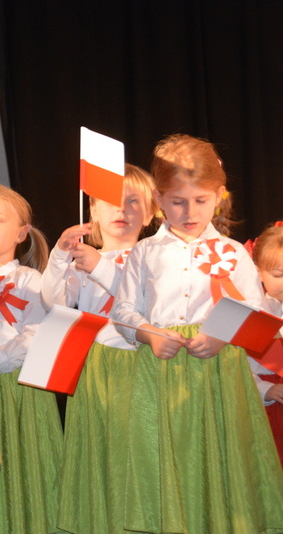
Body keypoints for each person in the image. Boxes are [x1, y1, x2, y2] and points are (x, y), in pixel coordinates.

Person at [108, 134, 283, 533]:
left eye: (201, 200)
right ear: (158, 198)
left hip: (219, 375)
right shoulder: (144, 253)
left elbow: (256, 314)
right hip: (162, 376)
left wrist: (221, 336)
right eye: (177, 202)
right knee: (168, 459)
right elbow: (123, 311)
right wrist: (149, 334)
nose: (189, 212)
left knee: (218, 456)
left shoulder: (234, 253)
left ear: (218, 196)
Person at [48, 164, 156, 533]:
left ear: (151, 212)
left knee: (142, 454)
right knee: (105, 453)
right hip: (98, 370)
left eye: (133, 201)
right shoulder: (83, 261)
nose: (121, 209)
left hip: (143, 365)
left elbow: (146, 305)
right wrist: (60, 258)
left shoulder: (155, 259)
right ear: (92, 211)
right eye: (110, 201)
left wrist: (101, 267)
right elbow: (53, 304)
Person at [0, 182, 59, 534]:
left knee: (25, 469)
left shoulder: (31, 281)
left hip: (18, 392)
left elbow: (36, 335)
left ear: (22, 233)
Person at [247, 221, 283, 466]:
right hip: (268, 409)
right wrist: (265, 389)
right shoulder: (255, 315)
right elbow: (239, 366)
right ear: (258, 272)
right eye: (279, 275)